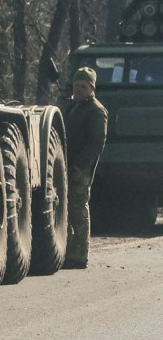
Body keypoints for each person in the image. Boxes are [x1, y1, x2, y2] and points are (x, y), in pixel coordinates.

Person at [62, 66, 108, 269]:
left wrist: (80, 165)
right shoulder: (73, 106)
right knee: (67, 209)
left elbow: (96, 143)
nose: (78, 89)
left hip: (80, 168)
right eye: (76, 85)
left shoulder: (96, 110)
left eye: (82, 86)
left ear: (91, 88)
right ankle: (69, 251)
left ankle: (80, 255)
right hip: (67, 165)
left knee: (79, 209)